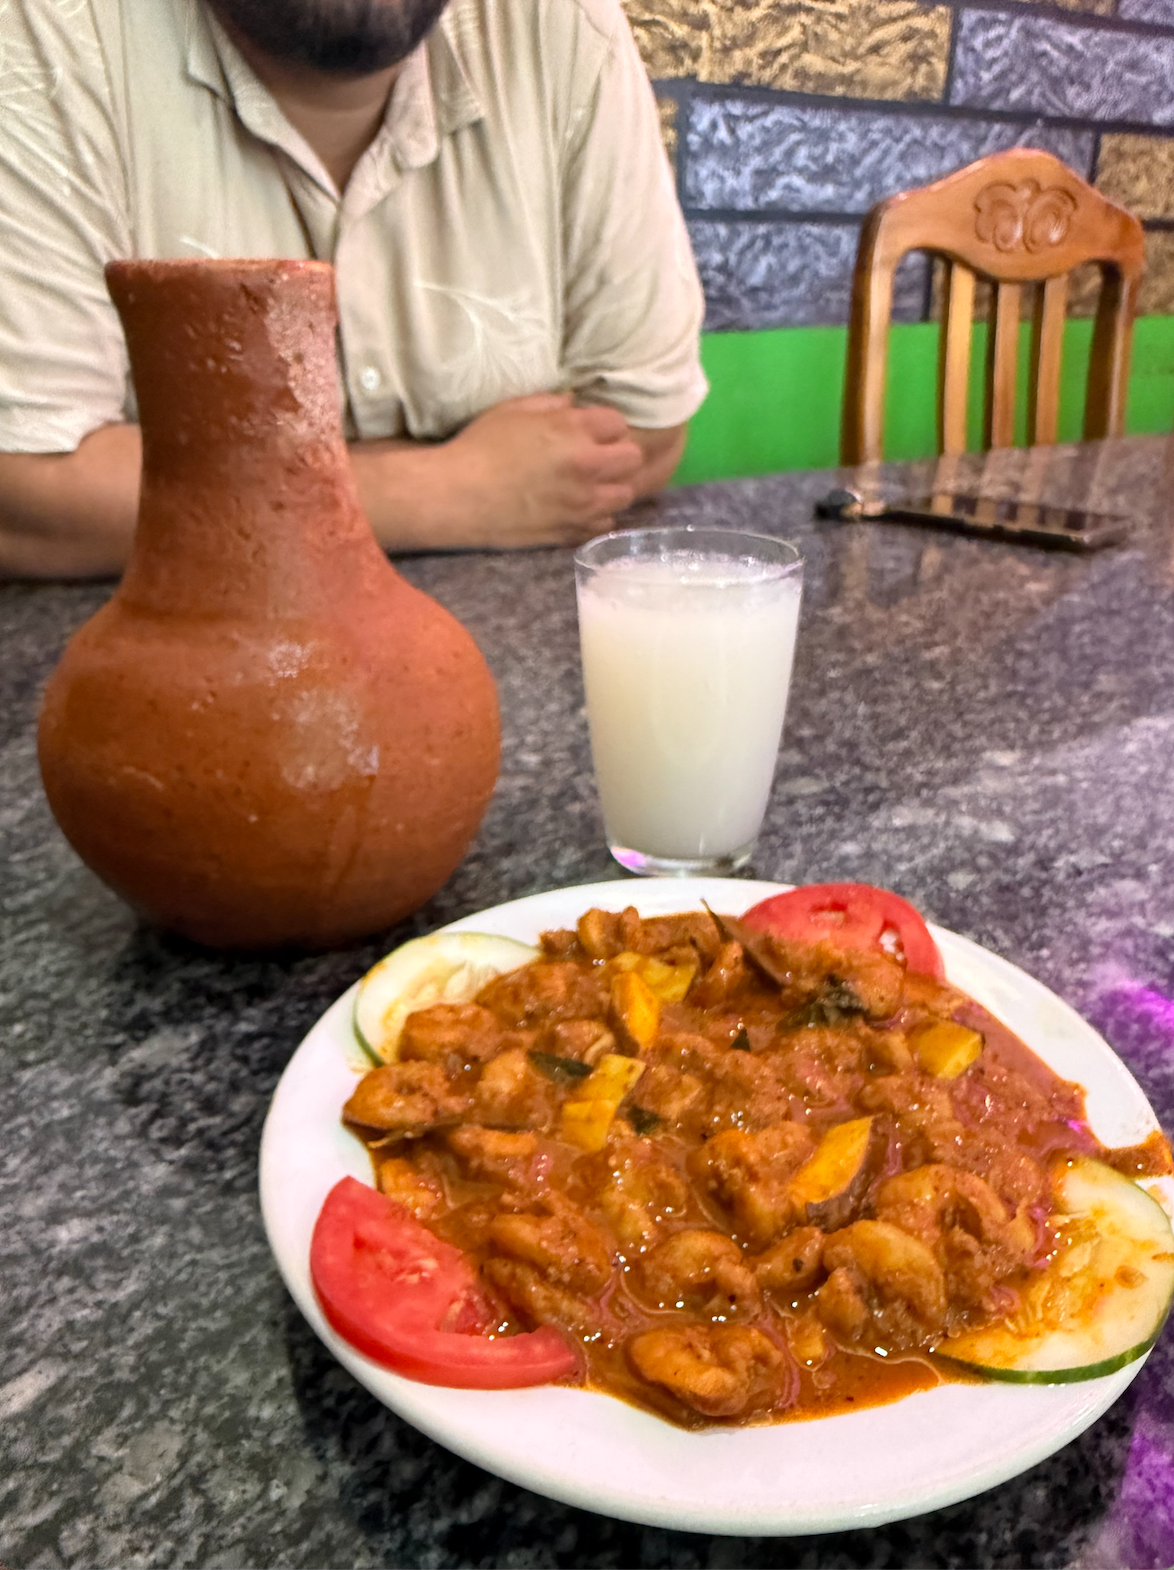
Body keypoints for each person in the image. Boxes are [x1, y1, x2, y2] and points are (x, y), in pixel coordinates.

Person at [0, 0, 707, 577]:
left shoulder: (564, 28)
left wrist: (199, 492)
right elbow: (25, 495)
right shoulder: (49, 29)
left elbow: (637, 433)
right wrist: (447, 491)